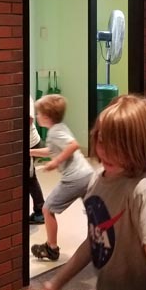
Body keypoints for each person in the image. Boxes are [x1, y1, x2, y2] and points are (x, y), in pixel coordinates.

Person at [42, 94, 146, 290]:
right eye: (102, 140)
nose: (106, 152)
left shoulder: (142, 193)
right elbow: (95, 241)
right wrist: (57, 281)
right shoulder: (96, 182)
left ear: (139, 145)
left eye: (118, 146)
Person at [30, 94, 93, 261]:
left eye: (38, 114)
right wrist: (29, 151)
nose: (37, 116)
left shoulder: (54, 133)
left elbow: (73, 146)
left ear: (46, 116)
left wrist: (56, 162)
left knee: (47, 209)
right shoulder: (60, 128)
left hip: (74, 178)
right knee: (92, 212)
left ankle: (51, 247)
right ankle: (97, 241)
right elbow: (51, 150)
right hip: (87, 174)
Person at [28, 94, 45, 224]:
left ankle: (40, 212)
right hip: (27, 144)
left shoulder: (27, 97)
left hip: (31, 143)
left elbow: (29, 119)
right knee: (30, 178)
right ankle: (40, 211)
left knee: (30, 178)